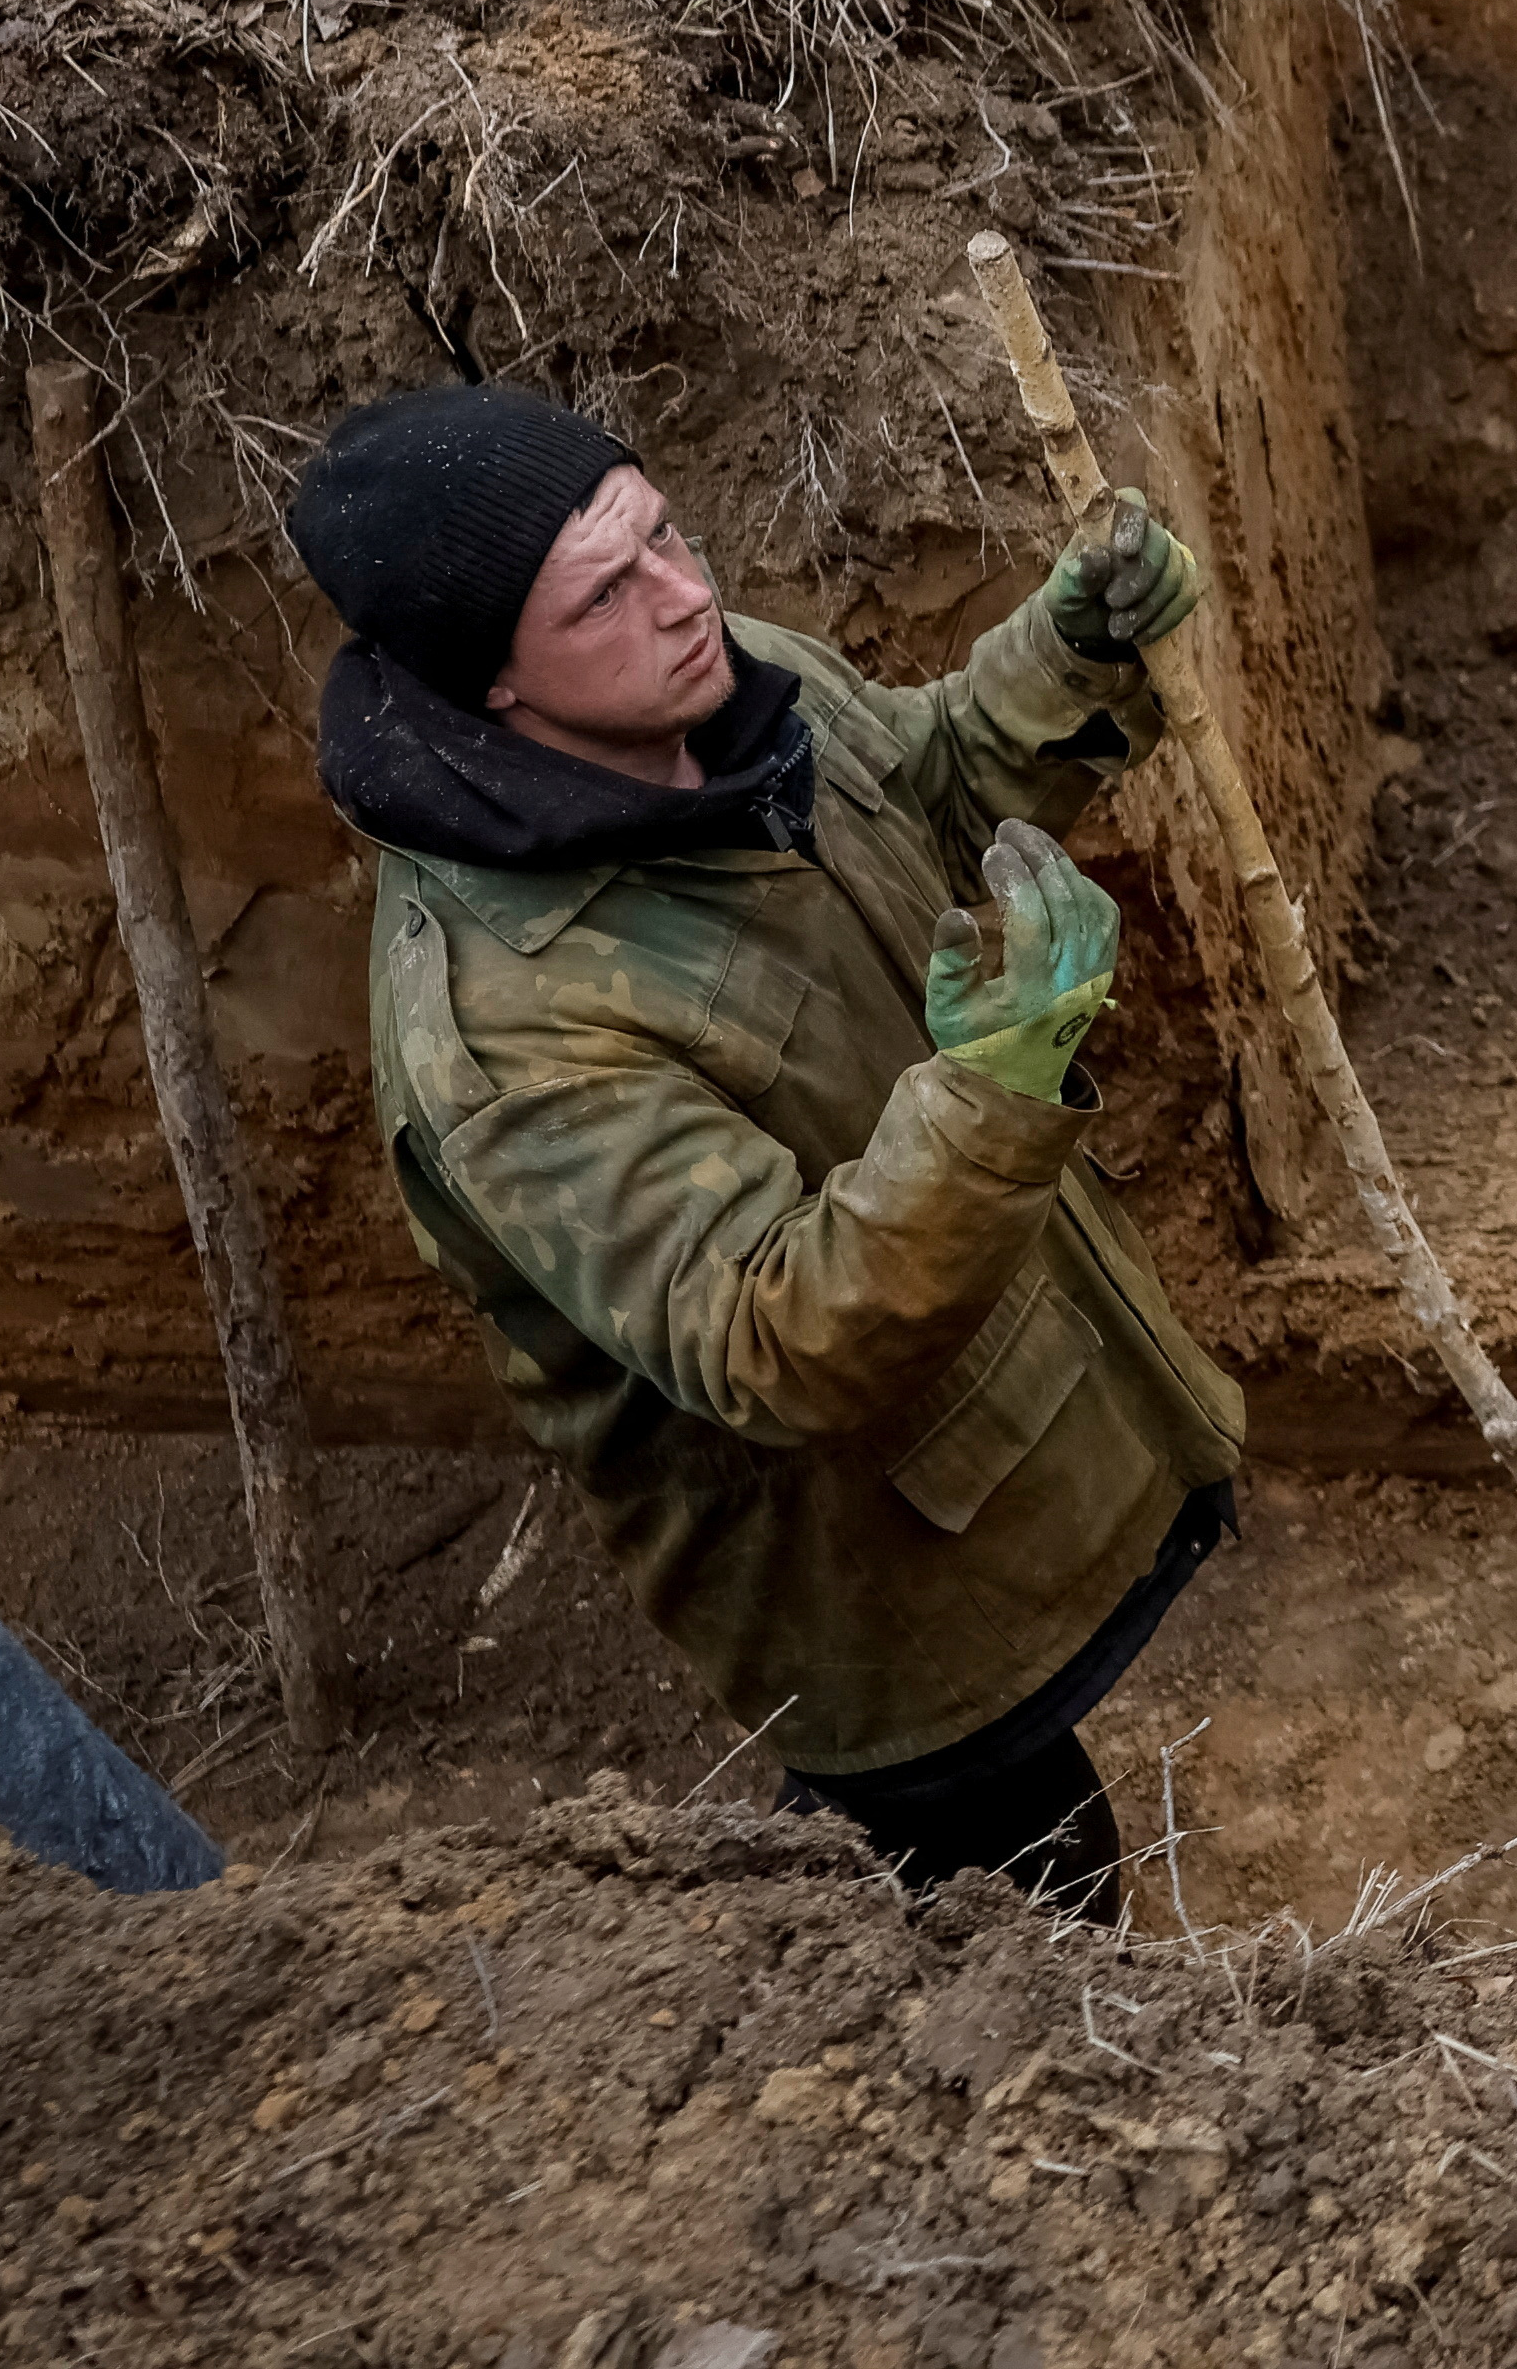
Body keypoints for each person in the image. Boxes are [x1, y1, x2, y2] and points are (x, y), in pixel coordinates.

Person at [290, 381, 1247, 1914]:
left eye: (663, 530)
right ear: (493, 690)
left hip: (1003, 1416)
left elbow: (923, 780)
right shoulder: (507, 1033)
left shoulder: (728, 689)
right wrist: (996, 1088)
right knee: (987, 1886)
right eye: (605, 593)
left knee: (1028, 1853)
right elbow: (769, 1335)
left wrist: (1069, 655)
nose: (686, 597)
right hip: (869, 1568)